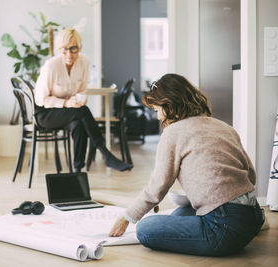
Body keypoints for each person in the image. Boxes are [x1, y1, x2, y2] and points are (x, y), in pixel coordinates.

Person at [109, 73, 264, 256]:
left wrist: (127, 217)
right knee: (180, 213)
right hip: (252, 218)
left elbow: (157, 188)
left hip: (222, 229)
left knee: (145, 229)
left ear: (169, 106)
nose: (158, 117)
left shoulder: (173, 132)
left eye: (157, 110)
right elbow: (250, 175)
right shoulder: (224, 127)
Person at [34, 28, 132, 173]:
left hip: (68, 112)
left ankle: (77, 170)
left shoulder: (84, 61)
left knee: (78, 123)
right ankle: (105, 153)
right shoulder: (51, 66)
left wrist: (79, 100)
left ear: (80, 47)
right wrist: (66, 103)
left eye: (73, 48)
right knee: (82, 112)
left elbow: (81, 90)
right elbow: (40, 99)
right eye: (64, 49)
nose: (69, 54)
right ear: (59, 49)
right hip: (45, 114)